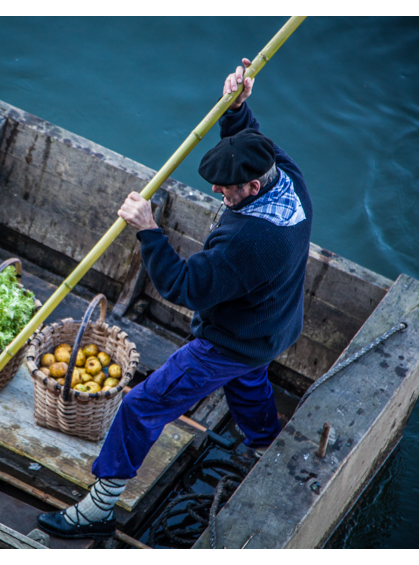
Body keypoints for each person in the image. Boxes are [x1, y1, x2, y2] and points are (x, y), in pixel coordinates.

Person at [36, 58, 313, 540]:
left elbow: (184, 287)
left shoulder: (253, 241)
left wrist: (148, 231)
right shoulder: (287, 178)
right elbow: (249, 140)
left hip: (228, 342)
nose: (217, 191)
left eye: (226, 189)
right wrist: (237, 108)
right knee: (250, 381)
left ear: (252, 187)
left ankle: (99, 506)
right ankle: (266, 442)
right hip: (272, 327)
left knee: (142, 406)